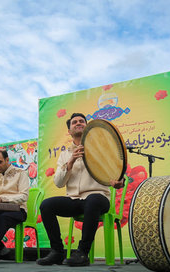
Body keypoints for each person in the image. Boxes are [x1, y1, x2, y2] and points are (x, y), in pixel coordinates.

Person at [37, 113, 124, 267]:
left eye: (82, 121)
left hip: (98, 197)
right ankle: (57, 251)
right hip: (74, 200)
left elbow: (118, 172)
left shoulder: (101, 149)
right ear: (69, 131)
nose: (78, 123)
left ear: (88, 127)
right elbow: (58, 183)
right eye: (74, 122)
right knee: (46, 205)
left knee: (93, 200)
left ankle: (83, 252)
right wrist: (70, 162)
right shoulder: (65, 154)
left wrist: (120, 182)